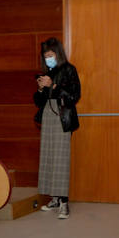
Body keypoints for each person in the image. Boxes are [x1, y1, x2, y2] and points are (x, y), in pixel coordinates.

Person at [34, 36, 80, 219]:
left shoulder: (69, 69)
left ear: (58, 54)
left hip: (62, 116)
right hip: (48, 115)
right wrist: (40, 89)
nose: (48, 59)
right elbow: (38, 102)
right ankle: (54, 198)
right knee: (48, 156)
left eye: (51, 55)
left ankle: (64, 203)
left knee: (61, 159)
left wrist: (53, 85)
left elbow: (74, 95)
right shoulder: (47, 71)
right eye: (46, 56)